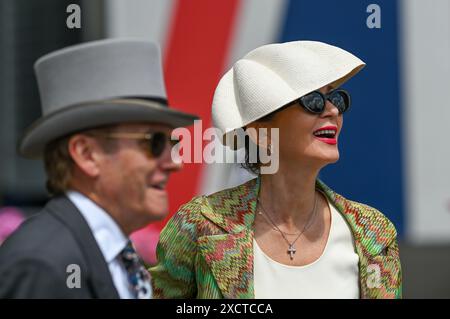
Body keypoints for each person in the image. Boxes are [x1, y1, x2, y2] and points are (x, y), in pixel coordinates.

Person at [150, 41, 402, 299]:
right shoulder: (200, 224)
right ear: (261, 132)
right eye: (314, 100)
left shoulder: (374, 232)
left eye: (336, 97)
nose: (334, 110)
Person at [0, 39, 198, 298]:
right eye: (155, 142)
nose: (176, 163)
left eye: (174, 143)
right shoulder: (43, 264)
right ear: (87, 155)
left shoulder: (116, 257)